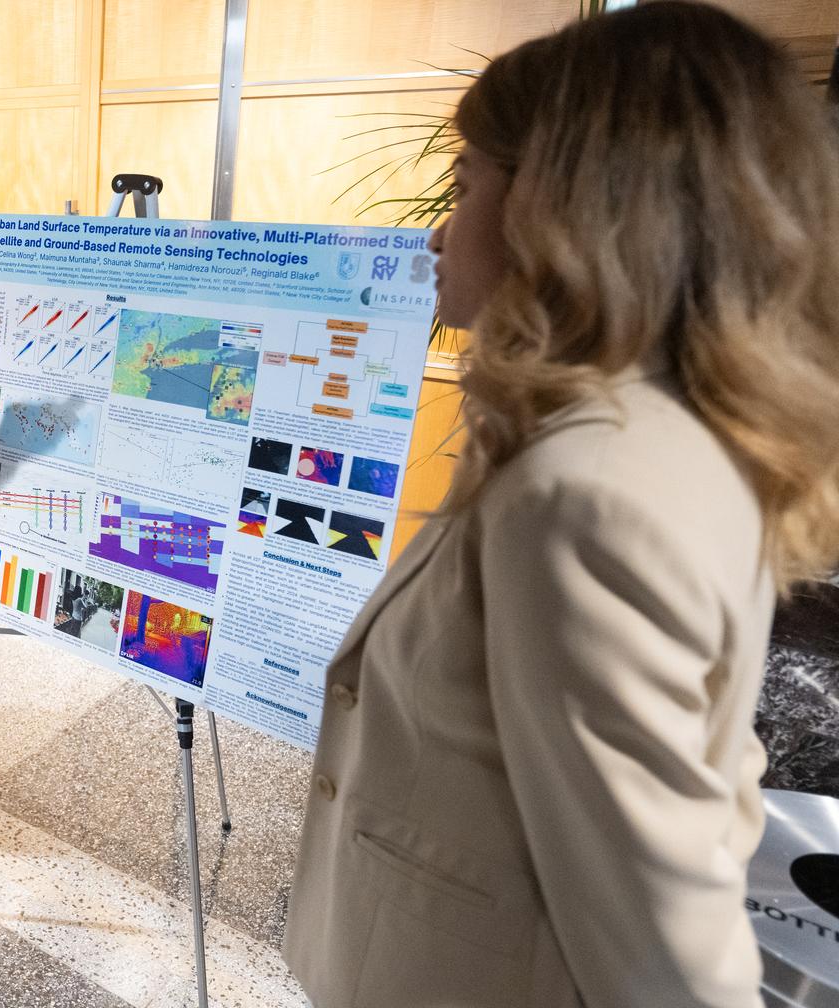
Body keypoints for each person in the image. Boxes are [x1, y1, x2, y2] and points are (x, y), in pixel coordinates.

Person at [283, 4, 839, 1006]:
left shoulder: (583, 492)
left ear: (566, 206)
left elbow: (658, 939)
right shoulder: (663, 432)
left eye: (464, 185)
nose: (437, 232)